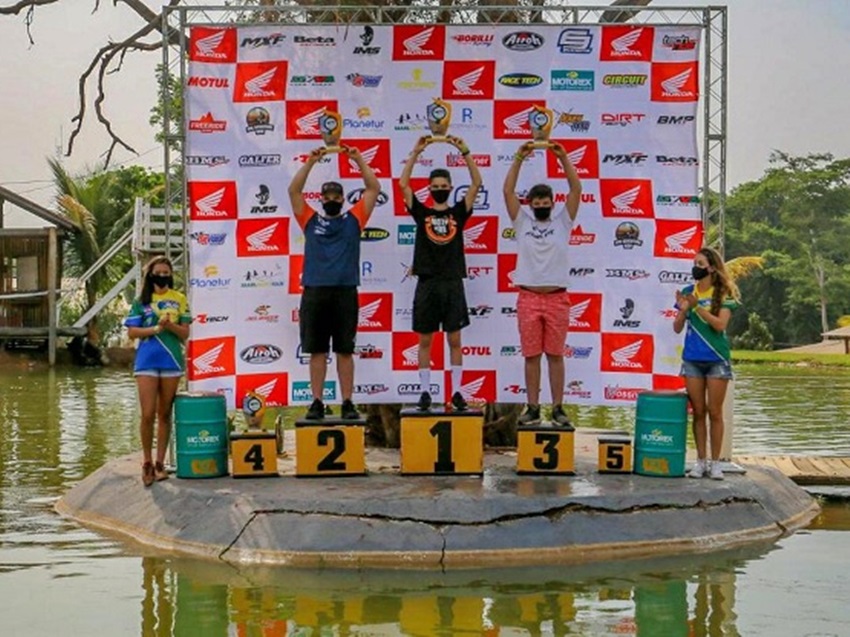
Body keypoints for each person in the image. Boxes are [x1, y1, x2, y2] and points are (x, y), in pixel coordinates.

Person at [288, 145, 380, 420]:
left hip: (345, 292)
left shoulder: (354, 220)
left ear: (342, 199)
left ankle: (348, 401)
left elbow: (373, 188)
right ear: (320, 199)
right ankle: (317, 401)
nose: (331, 199)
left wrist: (358, 159)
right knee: (317, 351)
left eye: (336, 196)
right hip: (315, 292)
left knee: (344, 351)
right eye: (326, 196)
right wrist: (310, 162)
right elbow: (294, 191)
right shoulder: (310, 220)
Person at [399, 134, 483, 411]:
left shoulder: (458, 212)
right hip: (427, 283)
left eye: (444, 186)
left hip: (452, 282)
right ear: (429, 188)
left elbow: (476, 184)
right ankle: (425, 392)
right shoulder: (421, 213)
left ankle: (457, 392)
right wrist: (416, 151)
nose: (439, 190)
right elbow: (403, 185)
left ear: (450, 188)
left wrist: (465, 151)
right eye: (435, 187)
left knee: (454, 339)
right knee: (425, 340)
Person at [502, 141, 582, 426]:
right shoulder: (522, 222)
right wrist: (518, 157)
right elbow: (508, 191)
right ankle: (533, 407)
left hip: (557, 298)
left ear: (552, 203)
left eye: (545, 203)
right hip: (528, 298)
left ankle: (558, 408)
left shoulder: (563, 223)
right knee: (532, 356)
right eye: (536, 204)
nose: (541, 207)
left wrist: (563, 157)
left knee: (555, 355)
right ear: (530, 205)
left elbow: (576, 190)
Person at [673, 246, 740, 480]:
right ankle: (700, 461)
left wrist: (697, 307)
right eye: (694, 264)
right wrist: (683, 310)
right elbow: (677, 327)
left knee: (715, 412)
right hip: (692, 359)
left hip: (716, 359)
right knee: (699, 412)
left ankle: (716, 463)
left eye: (700, 264)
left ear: (711, 268)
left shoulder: (723, 293)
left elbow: (720, 325)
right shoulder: (688, 291)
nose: (696, 268)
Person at [124, 256, 191, 486]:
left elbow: (185, 333)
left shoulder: (179, 299)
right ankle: (147, 461)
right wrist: (154, 328)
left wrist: (169, 325)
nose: (162, 276)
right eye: (158, 272)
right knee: (147, 414)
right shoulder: (141, 301)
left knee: (164, 413)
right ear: (150, 275)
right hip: (146, 361)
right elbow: (132, 332)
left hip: (171, 361)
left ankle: (161, 462)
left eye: (166, 273)